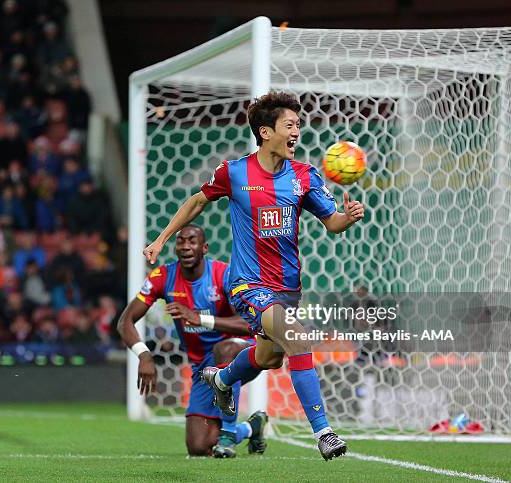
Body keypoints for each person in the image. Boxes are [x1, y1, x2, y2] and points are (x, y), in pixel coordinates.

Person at [143, 92, 365, 461]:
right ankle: (324, 433)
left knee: (269, 358)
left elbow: (333, 224)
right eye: (289, 125)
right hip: (247, 284)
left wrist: (350, 216)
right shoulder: (233, 173)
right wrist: (161, 239)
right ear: (266, 132)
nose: (298, 131)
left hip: (287, 289)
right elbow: (197, 201)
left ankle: (223, 379)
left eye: (298, 124)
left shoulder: (304, 176)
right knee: (296, 338)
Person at [119, 224, 267, 458]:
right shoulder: (163, 277)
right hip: (202, 368)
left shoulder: (224, 274)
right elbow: (125, 321)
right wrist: (144, 355)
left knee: (224, 349)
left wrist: (200, 318)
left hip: (241, 353)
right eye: (181, 241)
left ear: (204, 248)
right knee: (199, 448)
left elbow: (250, 323)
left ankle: (228, 434)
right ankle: (250, 428)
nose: (186, 246)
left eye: (192, 241)